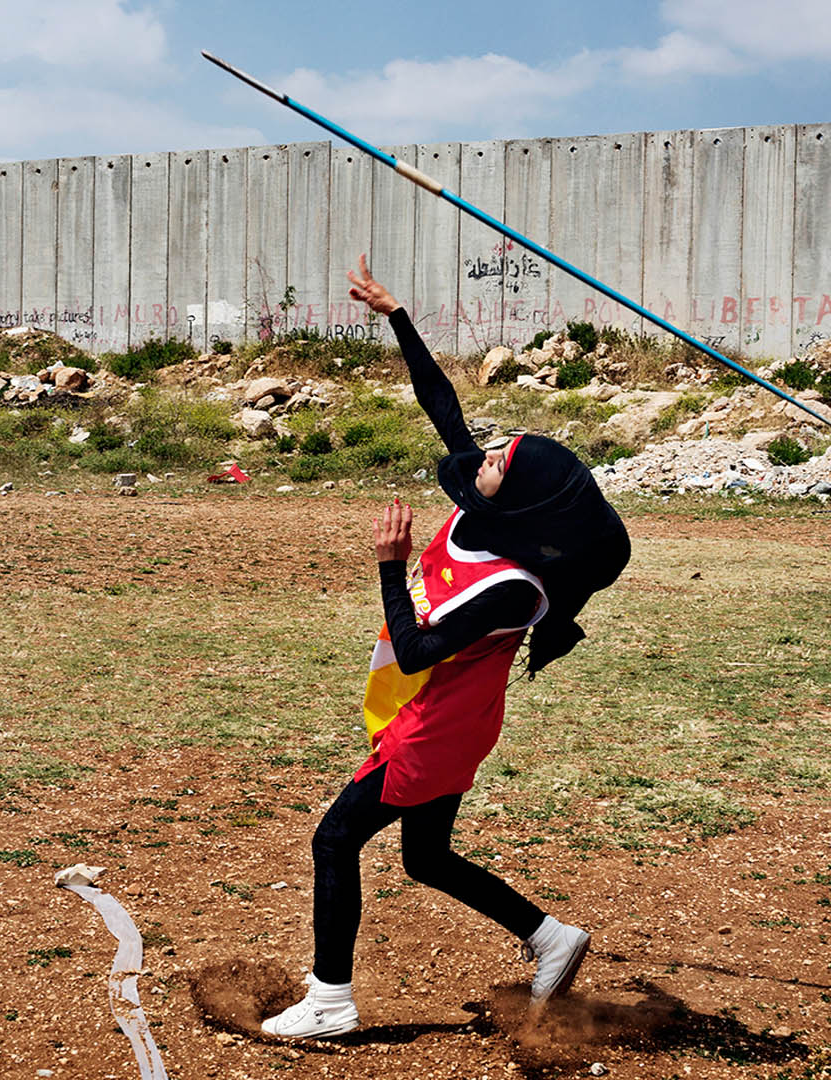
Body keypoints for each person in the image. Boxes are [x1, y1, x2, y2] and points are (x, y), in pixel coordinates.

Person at [261, 257, 631, 1039]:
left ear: (523, 497)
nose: (486, 456)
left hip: (439, 721)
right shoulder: (488, 511)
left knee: (335, 839)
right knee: (426, 857)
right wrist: (397, 315)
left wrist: (391, 567)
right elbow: (443, 406)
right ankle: (552, 937)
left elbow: (420, 647)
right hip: (444, 708)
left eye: (500, 461)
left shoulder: (514, 586)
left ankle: (331, 999)